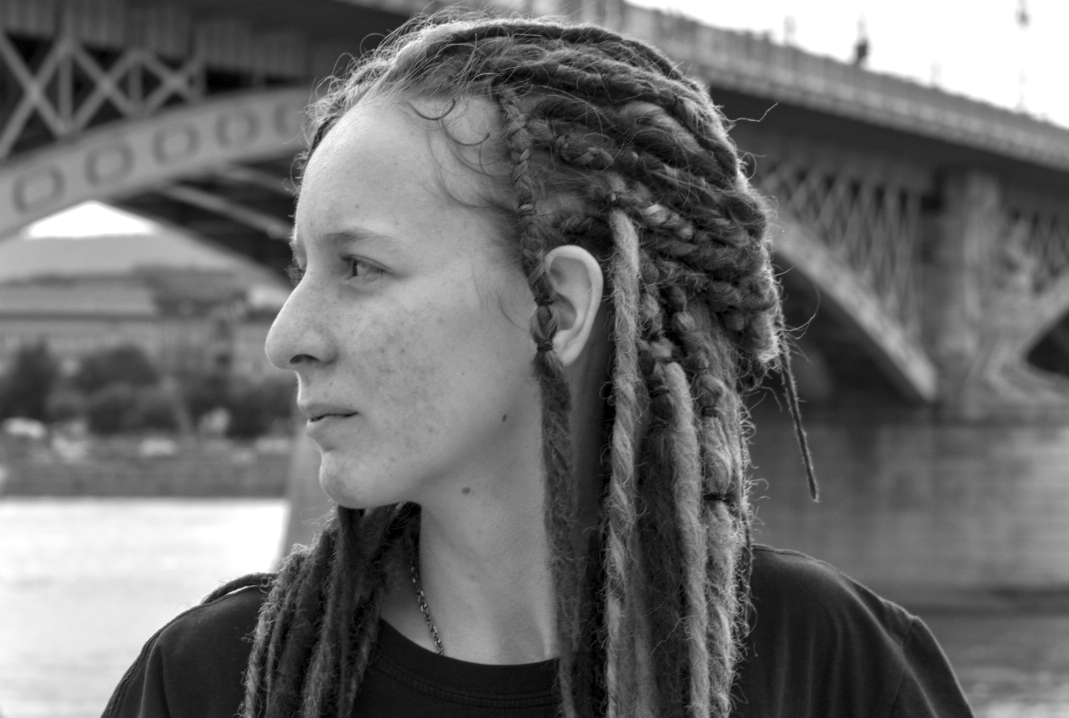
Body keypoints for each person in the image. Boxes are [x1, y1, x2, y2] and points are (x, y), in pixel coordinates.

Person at [105, 12, 973, 718]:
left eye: (359, 267)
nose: (286, 336)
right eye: (301, 268)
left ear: (554, 308)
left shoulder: (830, 665)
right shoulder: (211, 683)